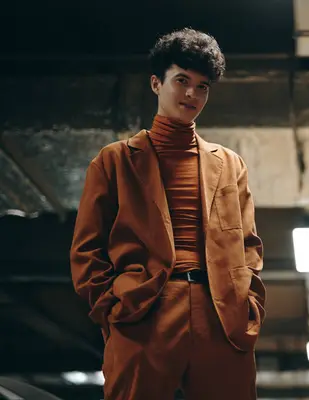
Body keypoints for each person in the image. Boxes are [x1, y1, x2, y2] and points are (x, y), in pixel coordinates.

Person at [70, 28, 266, 400]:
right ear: (156, 83)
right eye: (182, 81)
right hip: (144, 311)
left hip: (222, 315)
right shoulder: (115, 160)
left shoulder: (229, 164)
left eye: (203, 86)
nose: (192, 94)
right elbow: (86, 248)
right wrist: (112, 305)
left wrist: (248, 303)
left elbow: (249, 244)